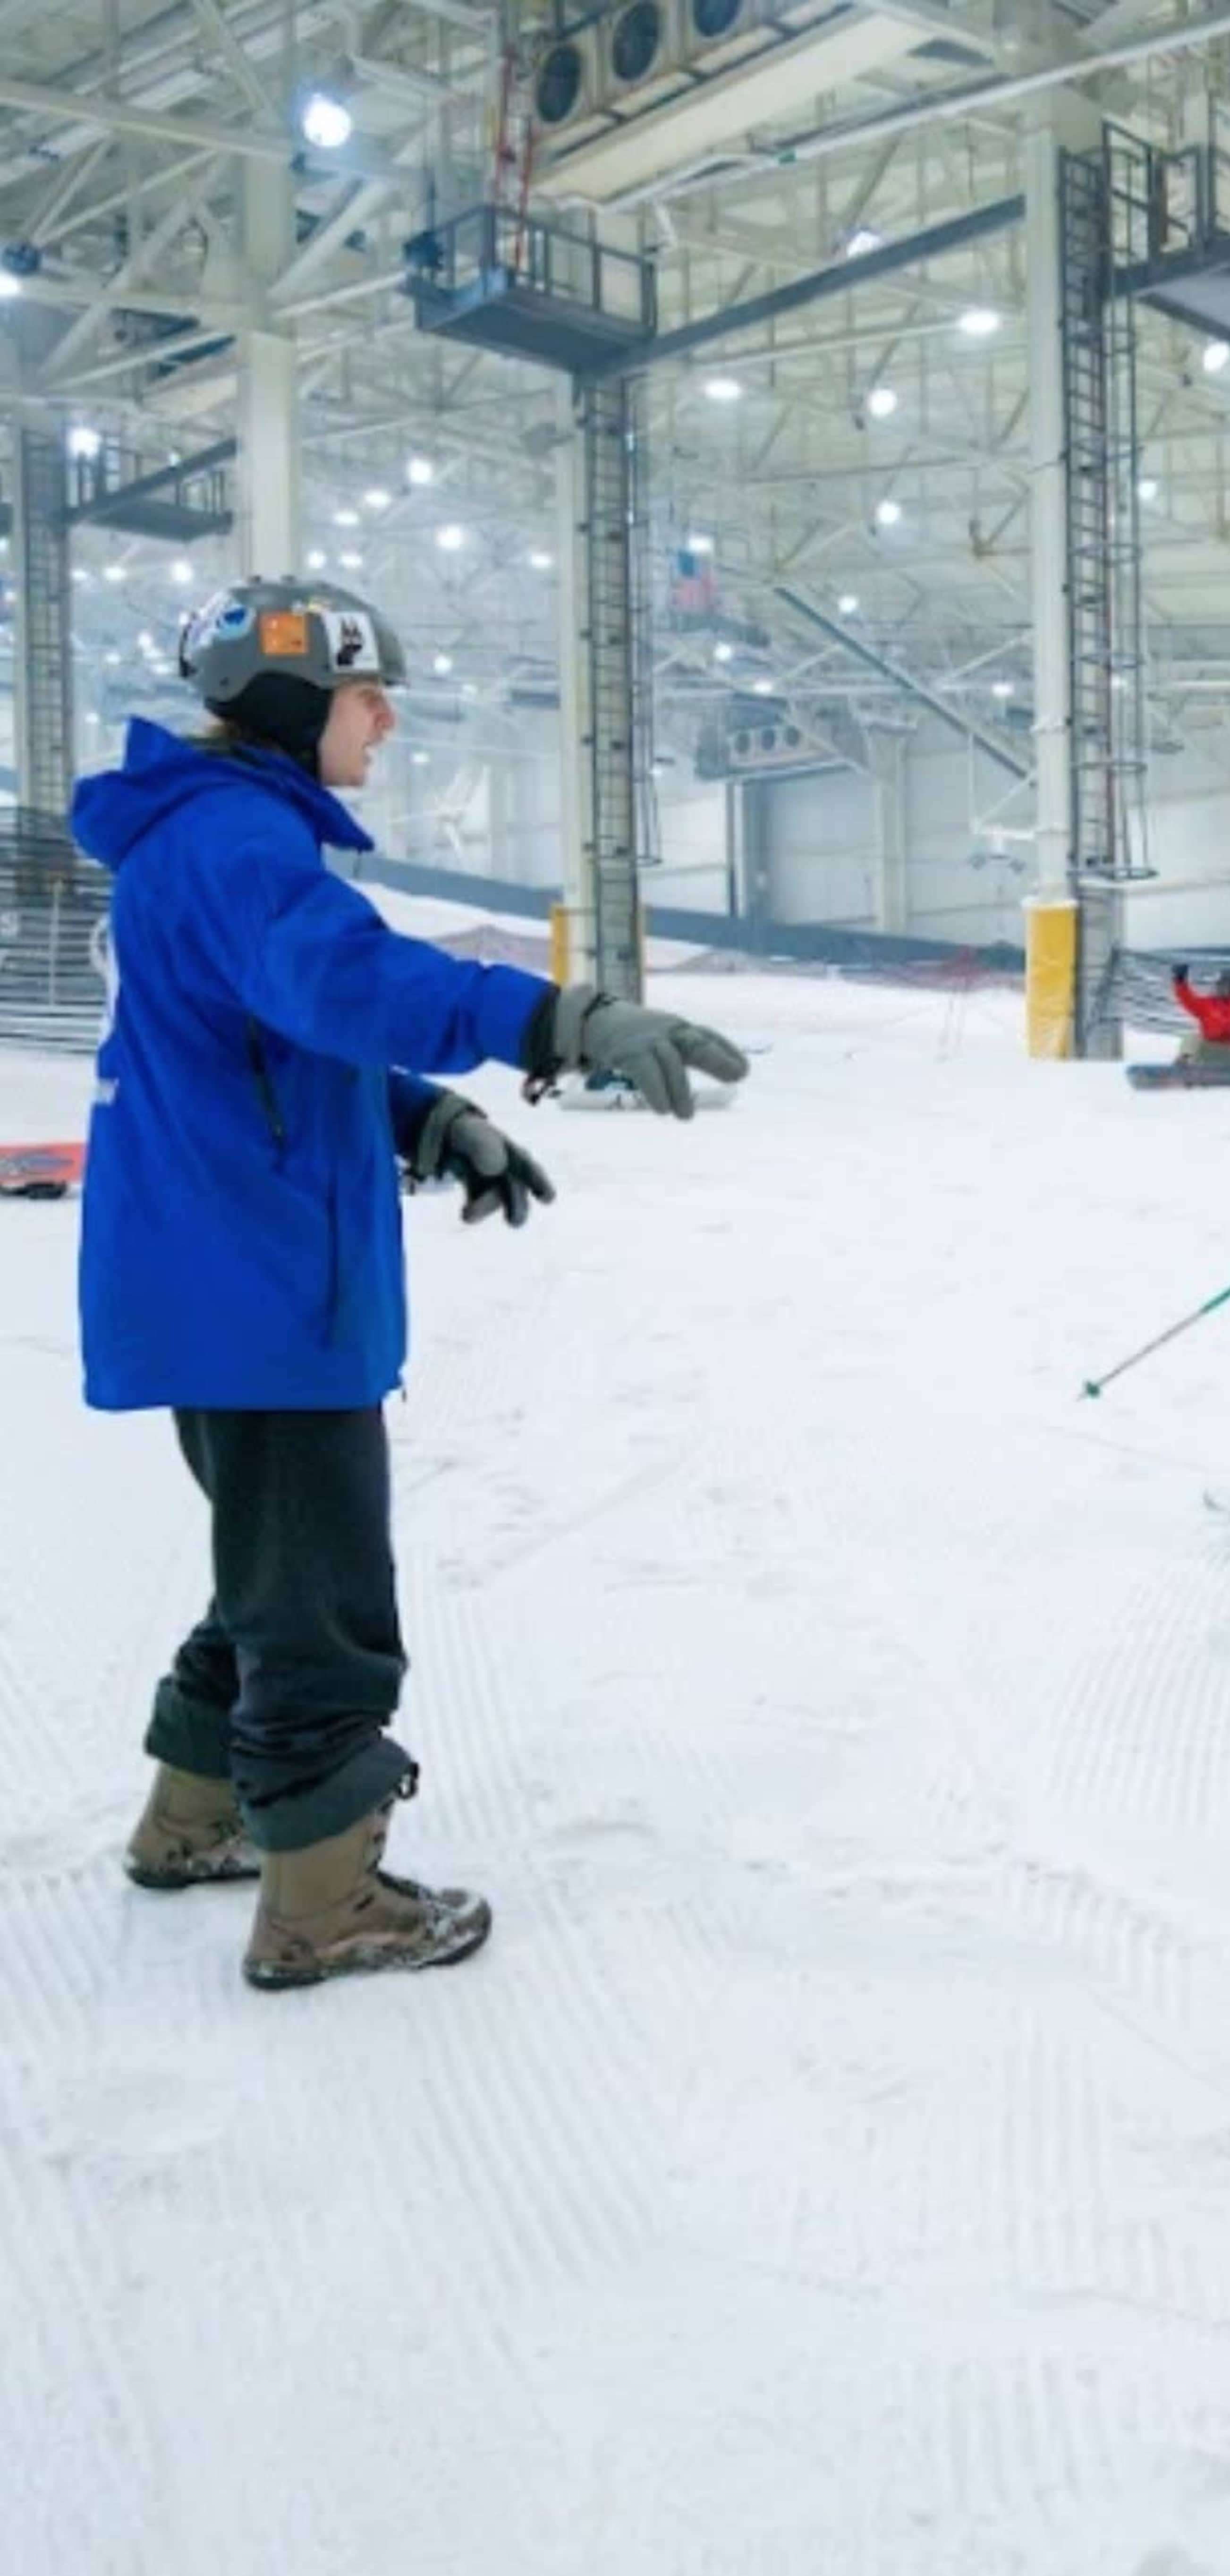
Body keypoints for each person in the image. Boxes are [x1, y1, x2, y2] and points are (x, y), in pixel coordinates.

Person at [71, 574, 748, 1991]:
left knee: (274, 1577)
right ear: (291, 702)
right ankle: (323, 1906)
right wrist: (554, 1016)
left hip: (226, 1284)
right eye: (365, 692)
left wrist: (421, 1118)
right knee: (320, 1607)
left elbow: (261, 1045)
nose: (386, 718)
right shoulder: (244, 847)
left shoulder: (202, 841)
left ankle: (191, 1826)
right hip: (259, 1296)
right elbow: (348, 984)